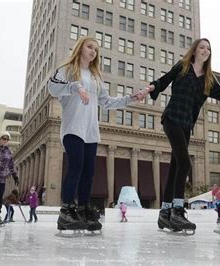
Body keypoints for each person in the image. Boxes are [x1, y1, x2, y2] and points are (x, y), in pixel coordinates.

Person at [137, 38, 220, 234]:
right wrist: (148, 89)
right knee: (185, 163)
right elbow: (163, 80)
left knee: (175, 168)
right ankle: (178, 210)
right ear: (195, 51)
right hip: (172, 118)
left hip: (187, 125)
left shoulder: (208, 79)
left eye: (208, 48)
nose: (205, 50)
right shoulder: (183, 67)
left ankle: (164, 213)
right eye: (202, 47)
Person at [48, 36, 143, 233]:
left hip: (90, 131)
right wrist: (75, 86)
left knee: (89, 173)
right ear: (80, 47)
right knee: (76, 167)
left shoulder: (95, 77)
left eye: (96, 49)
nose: (93, 51)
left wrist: (130, 99)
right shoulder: (66, 70)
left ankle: (82, 209)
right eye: (90, 46)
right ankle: (66, 211)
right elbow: (52, 87)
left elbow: (106, 101)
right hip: (73, 127)